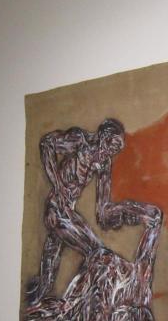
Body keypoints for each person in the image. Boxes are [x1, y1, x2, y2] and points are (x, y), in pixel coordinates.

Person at [25, 200, 162, 321]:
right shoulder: (140, 285)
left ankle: (48, 314)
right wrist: (113, 213)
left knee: (67, 318)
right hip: (98, 261)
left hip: (93, 275)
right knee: (68, 310)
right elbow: (155, 219)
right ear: (134, 311)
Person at [26, 118, 141, 307]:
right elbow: (46, 144)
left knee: (46, 279)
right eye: (113, 146)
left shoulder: (104, 164)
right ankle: (73, 304)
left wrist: (123, 214)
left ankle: (42, 296)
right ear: (104, 137)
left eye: (117, 149)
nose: (113, 152)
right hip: (57, 209)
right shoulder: (80, 141)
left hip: (67, 213)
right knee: (96, 252)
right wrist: (58, 185)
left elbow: (102, 210)